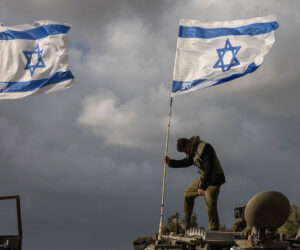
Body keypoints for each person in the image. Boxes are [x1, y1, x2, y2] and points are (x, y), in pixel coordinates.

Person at [164, 136, 225, 230]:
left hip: (214, 180)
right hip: (204, 178)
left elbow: (209, 168)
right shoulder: (192, 150)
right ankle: (187, 221)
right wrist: (171, 162)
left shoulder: (204, 148)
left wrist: (203, 187)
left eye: (186, 151)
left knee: (210, 207)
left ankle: (214, 229)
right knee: (188, 193)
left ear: (189, 144)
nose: (186, 153)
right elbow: (187, 162)